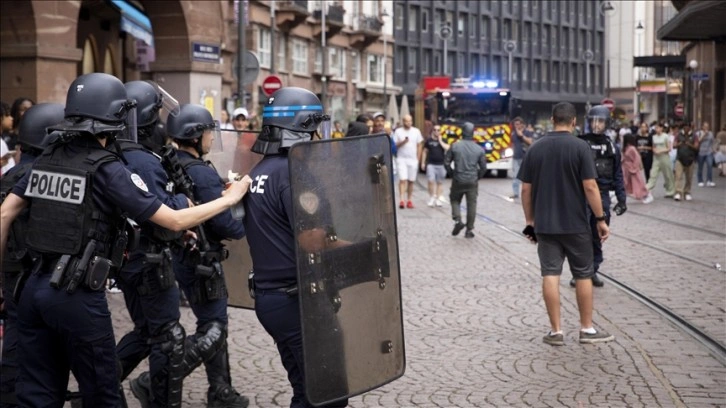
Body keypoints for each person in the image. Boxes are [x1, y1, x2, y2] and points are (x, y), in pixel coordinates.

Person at [0, 72, 251, 407]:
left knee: (38, 395)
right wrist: (230, 199)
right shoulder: (106, 168)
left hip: (31, 290)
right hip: (75, 294)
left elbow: (4, 214)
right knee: (103, 394)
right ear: (117, 117)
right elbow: (173, 219)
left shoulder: (46, 158)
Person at [130, 103, 250, 408]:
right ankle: (160, 379)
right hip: (202, 260)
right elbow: (225, 224)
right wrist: (241, 210)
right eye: (209, 131)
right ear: (196, 136)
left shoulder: (172, 164)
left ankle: (221, 391)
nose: (212, 137)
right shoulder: (201, 172)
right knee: (214, 326)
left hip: (182, 254)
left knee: (210, 320)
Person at [242, 87, 348, 407]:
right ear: (301, 129)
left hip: (270, 297)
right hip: (296, 300)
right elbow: (312, 240)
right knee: (328, 395)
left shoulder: (259, 171)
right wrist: (363, 246)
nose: (317, 137)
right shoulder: (295, 173)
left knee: (306, 390)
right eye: (313, 128)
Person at [112, 80, 191, 408]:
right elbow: (164, 216)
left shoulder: (114, 153)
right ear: (145, 120)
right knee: (166, 338)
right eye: (157, 116)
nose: (162, 124)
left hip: (128, 260)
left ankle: (99, 387)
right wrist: (183, 200)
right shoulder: (143, 161)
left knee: (146, 332)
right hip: (150, 262)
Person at [517, 102, 615, 346]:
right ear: (574, 122)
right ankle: (587, 329)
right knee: (584, 274)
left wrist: (530, 222)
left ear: (552, 119)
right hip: (576, 224)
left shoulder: (536, 148)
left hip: (546, 225)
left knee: (550, 274)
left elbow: (526, 189)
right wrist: (600, 219)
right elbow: (590, 186)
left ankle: (556, 331)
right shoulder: (580, 147)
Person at [0, 103, 65, 407]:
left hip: (14, 271)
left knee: (16, 335)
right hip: (33, 273)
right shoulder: (40, 175)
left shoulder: (12, 173)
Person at [570, 105, 627, 288]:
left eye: (600, 121)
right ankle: (579, 273)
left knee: (597, 235)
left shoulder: (612, 146)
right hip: (581, 194)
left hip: (602, 194)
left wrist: (622, 198)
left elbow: (618, 175)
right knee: (580, 236)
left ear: (607, 123)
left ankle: (592, 270)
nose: (597, 125)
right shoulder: (580, 143)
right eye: (594, 121)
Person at [444, 122, 487, 238]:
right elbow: (483, 167)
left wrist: (452, 174)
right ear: (473, 133)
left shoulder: (455, 146)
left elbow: (446, 162)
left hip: (458, 179)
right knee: (471, 205)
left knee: (454, 200)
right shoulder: (479, 149)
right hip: (472, 180)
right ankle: (469, 230)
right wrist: (477, 177)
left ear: (462, 132)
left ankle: (458, 220)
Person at [393, 114, 423, 209]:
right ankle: (402, 200)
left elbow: (419, 144)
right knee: (402, 179)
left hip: (412, 159)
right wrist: (403, 142)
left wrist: (418, 158)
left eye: (410, 121)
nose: (408, 123)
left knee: (411, 181)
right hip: (401, 159)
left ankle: (409, 200)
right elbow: (395, 145)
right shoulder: (398, 131)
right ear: (403, 121)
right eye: (406, 121)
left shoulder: (416, 131)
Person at [420, 124, 449, 207]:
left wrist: (440, 141)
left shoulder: (444, 140)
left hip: (441, 164)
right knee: (430, 180)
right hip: (431, 164)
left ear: (440, 131)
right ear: (432, 131)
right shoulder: (428, 141)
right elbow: (425, 151)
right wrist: (423, 162)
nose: (436, 131)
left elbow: (447, 148)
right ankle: (432, 197)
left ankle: (438, 198)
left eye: (438, 130)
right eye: (435, 130)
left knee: (440, 182)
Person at [645, 123, 675, 198]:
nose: (657, 129)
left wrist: (660, 151)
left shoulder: (665, 136)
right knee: (653, 174)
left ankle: (670, 191)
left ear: (662, 128)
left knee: (668, 175)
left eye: (658, 127)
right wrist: (655, 150)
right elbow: (653, 147)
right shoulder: (654, 137)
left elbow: (669, 148)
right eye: (656, 128)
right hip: (656, 158)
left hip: (664, 157)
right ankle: (646, 188)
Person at [621, 134, 654, 204]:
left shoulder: (632, 148)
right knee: (625, 182)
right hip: (626, 168)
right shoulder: (626, 148)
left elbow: (637, 158)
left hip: (632, 169)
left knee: (638, 182)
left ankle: (647, 194)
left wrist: (634, 168)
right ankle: (622, 196)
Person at [673, 122, 699, 201]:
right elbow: (674, 146)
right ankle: (678, 192)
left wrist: (689, 144)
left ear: (690, 128)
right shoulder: (678, 135)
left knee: (689, 177)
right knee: (678, 176)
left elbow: (696, 147)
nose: (686, 129)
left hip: (690, 159)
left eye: (688, 127)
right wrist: (679, 144)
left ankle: (687, 192)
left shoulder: (694, 136)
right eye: (685, 128)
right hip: (680, 158)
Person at [510, 117, 534, 199]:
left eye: (518, 124)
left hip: (526, 158)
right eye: (515, 124)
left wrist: (522, 136)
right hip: (516, 158)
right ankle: (516, 193)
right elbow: (513, 144)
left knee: (528, 176)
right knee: (515, 176)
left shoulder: (527, 132)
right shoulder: (513, 134)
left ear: (522, 124)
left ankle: (530, 193)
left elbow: (530, 142)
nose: (516, 126)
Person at [696, 122, 716, 187]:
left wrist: (713, 149)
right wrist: (704, 134)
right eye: (705, 126)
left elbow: (712, 142)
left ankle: (709, 180)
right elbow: (698, 141)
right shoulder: (699, 133)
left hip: (709, 152)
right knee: (700, 167)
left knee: (710, 165)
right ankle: (700, 180)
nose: (706, 128)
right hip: (701, 152)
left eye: (707, 126)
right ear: (702, 127)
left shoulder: (711, 134)